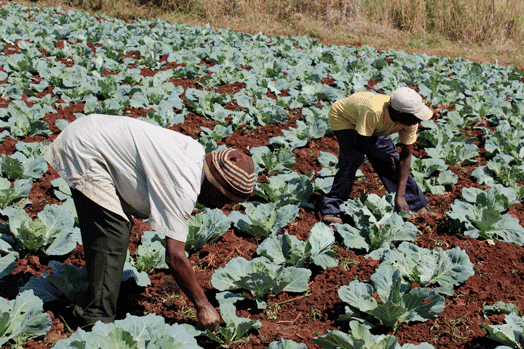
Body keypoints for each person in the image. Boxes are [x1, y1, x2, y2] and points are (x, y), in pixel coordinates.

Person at [44, 114, 255, 331]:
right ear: (212, 185)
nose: (220, 207)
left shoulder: (195, 154)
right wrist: (203, 305)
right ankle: (96, 319)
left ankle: (94, 293)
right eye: (224, 199)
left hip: (91, 134)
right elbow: (175, 256)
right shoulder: (184, 185)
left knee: (113, 226)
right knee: (113, 233)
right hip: (86, 148)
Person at [319, 87, 433, 224]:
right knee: (353, 159)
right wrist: (383, 157)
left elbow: (406, 156)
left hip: (373, 125)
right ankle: (332, 208)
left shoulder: (410, 118)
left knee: (393, 162)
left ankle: (414, 203)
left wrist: (400, 195)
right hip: (345, 118)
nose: (417, 121)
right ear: (398, 114)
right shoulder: (374, 111)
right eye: (414, 117)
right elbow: (360, 144)